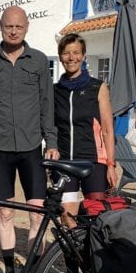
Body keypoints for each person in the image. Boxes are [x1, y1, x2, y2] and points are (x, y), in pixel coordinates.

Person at [0, 5, 59, 273]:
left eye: (19, 26)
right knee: (5, 212)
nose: (14, 31)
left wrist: (51, 141)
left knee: (35, 214)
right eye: (9, 26)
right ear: (1, 28)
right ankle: (9, 271)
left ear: (27, 27)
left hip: (32, 147)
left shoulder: (39, 60)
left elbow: (47, 104)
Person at [53, 33, 115, 225]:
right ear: (60, 56)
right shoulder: (54, 90)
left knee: (95, 215)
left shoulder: (98, 87)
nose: (71, 58)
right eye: (66, 53)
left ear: (84, 56)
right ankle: (74, 254)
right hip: (65, 162)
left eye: (76, 53)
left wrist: (111, 165)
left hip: (94, 161)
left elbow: (107, 129)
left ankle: (93, 254)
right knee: (66, 215)